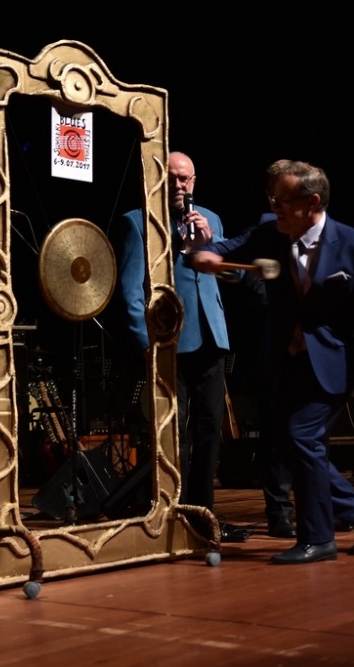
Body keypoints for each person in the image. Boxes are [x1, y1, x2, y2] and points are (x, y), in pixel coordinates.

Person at [190, 159, 354, 564]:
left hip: (333, 363)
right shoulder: (270, 231)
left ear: (312, 202)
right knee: (287, 443)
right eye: (273, 199)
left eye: (283, 199)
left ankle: (318, 539)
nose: (275, 206)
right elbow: (222, 250)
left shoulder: (353, 245)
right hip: (284, 360)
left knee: (301, 436)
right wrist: (204, 254)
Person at [112, 151, 248, 542]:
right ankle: (173, 513)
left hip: (211, 336)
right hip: (168, 342)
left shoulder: (211, 219)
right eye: (172, 177)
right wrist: (146, 343)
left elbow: (236, 275)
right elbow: (130, 292)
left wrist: (212, 243)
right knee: (174, 433)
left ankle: (204, 515)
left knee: (209, 429)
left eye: (184, 179)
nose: (178, 185)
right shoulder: (138, 221)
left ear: (194, 182)